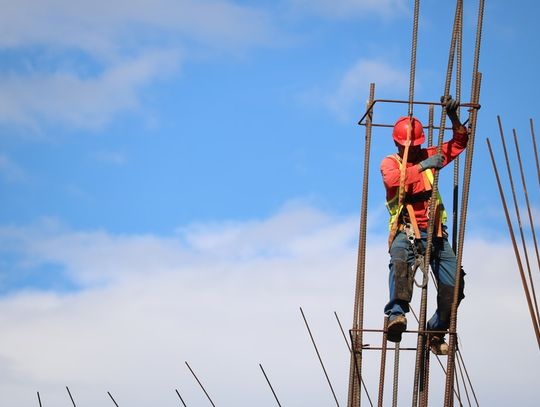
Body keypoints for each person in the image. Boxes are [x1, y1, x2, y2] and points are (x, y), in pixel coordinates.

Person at [380, 97, 467, 355]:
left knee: (454, 291)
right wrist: (421, 166)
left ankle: (435, 330)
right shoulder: (390, 163)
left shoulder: (428, 155)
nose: (415, 149)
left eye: (417, 146)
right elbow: (393, 181)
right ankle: (396, 315)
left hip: (436, 234)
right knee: (399, 261)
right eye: (410, 146)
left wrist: (454, 119)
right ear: (398, 143)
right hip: (406, 230)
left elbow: (459, 144)